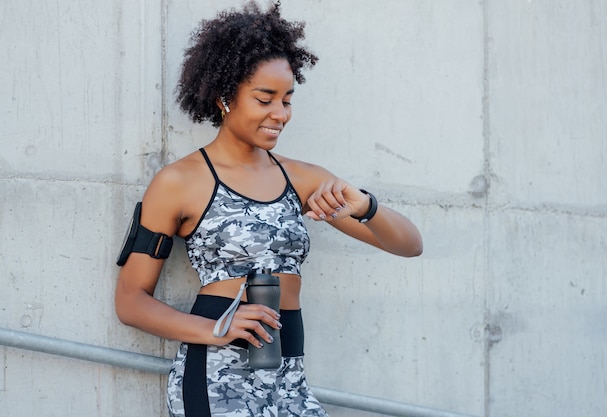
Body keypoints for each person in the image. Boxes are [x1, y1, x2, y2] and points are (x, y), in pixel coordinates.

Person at [115, 1, 423, 416]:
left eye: (287, 100)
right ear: (225, 98)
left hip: (288, 373)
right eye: (265, 99)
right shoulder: (178, 182)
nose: (280, 114)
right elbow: (131, 301)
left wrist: (365, 205)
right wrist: (217, 329)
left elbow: (409, 245)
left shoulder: (303, 178)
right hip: (217, 376)